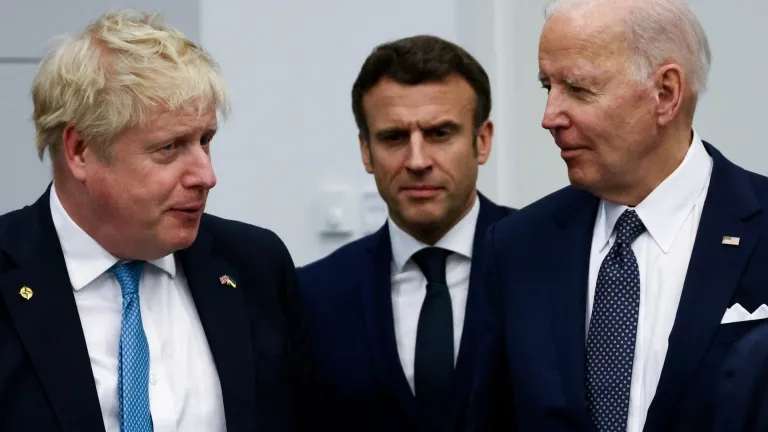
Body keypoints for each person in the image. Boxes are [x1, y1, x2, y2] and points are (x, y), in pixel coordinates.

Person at [0, 9, 307, 432]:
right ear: (80, 150)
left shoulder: (255, 265)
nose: (206, 176)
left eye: (204, 140)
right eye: (169, 147)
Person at [468, 0, 768, 431]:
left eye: (578, 88)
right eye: (547, 87)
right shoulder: (517, 247)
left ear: (665, 93)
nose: (549, 117)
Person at [297, 35, 514, 431]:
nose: (417, 161)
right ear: (366, 151)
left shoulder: (547, 263)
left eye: (440, 134)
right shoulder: (314, 295)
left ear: (482, 142)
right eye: (394, 137)